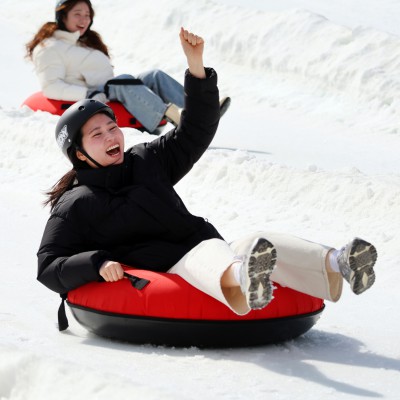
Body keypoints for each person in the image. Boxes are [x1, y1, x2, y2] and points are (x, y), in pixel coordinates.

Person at [37, 27, 377, 320]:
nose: (111, 137)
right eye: (97, 135)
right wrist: (96, 263)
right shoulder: (76, 203)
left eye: (112, 127)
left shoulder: (146, 160)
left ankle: (339, 261)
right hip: (168, 268)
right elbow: (49, 265)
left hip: (207, 248)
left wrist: (196, 68)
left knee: (256, 241)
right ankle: (246, 280)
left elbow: (194, 131)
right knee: (204, 255)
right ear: (79, 153)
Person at [26, 0, 231, 133]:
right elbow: (51, 87)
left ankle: (203, 106)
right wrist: (88, 94)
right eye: (77, 14)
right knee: (122, 81)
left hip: (108, 89)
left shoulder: (82, 42)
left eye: (87, 15)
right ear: (62, 16)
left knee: (153, 75)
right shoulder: (49, 47)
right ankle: (178, 119)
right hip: (91, 96)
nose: (84, 20)